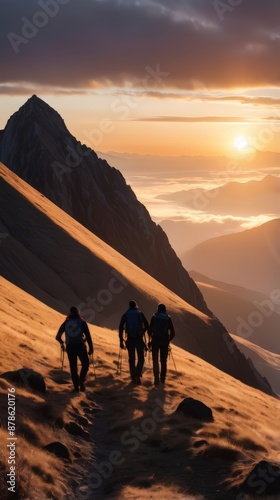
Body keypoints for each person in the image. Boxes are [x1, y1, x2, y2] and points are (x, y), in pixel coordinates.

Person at [56, 306, 93, 392]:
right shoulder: (82, 322)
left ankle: (76, 387)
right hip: (80, 346)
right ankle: (81, 381)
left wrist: (62, 343)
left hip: (70, 348)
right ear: (78, 312)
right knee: (85, 364)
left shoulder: (66, 322)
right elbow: (88, 336)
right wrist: (91, 348)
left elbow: (57, 337)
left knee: (73, 367)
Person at [119, 300, 149, 384]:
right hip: (139, 338)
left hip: (130, 339)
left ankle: (133, 377)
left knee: (131, 359)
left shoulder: (126, 314)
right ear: (136, 305)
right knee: (141, 358)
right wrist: (142, 331)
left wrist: (121, 341)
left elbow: (121, 327)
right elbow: (147, 325)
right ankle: (137, 374)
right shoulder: (139, 313)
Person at [148, 303, 175, 385]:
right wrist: (168, 340)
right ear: (165, 309)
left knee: (155, 360)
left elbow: (149, 330)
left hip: (155, 341)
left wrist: (151, 337)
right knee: (163, 361)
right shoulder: (168, 318)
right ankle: (162, 379)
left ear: (158, 309)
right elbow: (173, 332)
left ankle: (156, 378)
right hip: (164, 342)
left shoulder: (154, 317)